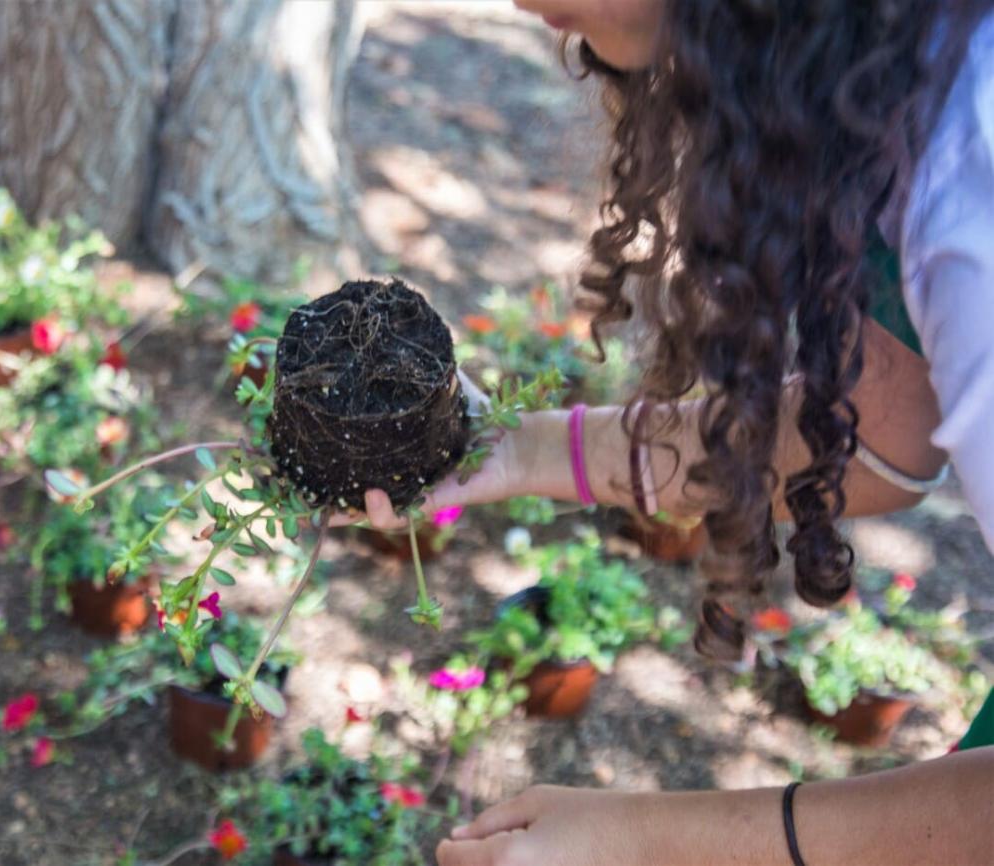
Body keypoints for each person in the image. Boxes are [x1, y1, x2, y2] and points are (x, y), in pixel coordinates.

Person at [353, 1, 994, 863]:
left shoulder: (975, 191)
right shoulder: (914, 90)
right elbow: (873, 441)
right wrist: (517, 447)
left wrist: (647, 839)